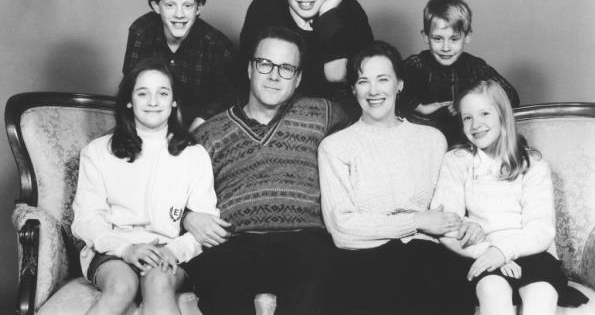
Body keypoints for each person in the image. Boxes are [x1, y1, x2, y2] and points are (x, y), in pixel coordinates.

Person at [183, 26, 348, 315]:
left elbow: (372, 124)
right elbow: (169, 191)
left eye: (286, 68)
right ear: (250, 68)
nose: (274, 75)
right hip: (235, 243)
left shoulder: (323, 113)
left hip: (303, 240)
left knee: (318, 274)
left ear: (298, 79)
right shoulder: (209, 133)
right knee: (216, 275)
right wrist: (188, 217)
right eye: (265, 64)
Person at [319, 40, 475, 315]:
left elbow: (445, 215)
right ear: (353, 88)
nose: (374, 91)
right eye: (363, 81)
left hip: (428, 259)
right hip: (362, 262)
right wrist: (416, 221)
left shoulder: (432, 140)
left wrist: (464, 226)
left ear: (399, 84)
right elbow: (342, 229)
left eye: (383, 79)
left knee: (443, 282)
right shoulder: (335, 146)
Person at [72, 58, 219, 315]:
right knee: (121, 286)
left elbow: (204, 225)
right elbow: (86, 219)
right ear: (129, 100)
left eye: (162, 93)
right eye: (143, 93)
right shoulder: (97, 152)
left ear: (174, 101)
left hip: (168, 250)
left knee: (158, 281)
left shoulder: (194, 155)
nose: (153, 102)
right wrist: (125, 249)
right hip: (114, 248)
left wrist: (174, 250)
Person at [430, 80, 588, 315]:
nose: (476, 125)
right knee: (493, 291)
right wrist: (488, 251)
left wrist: (503, 251)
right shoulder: (457, 161)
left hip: (530, 253)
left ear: (503, 115)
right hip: (482, 254)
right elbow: (445, 223)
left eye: (484, 113)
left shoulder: (533, 165)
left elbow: (541, 230)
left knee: (541, 295)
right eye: (467, 117)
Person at [239, 0, 374, 118]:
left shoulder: (349, 9)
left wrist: (327, 18)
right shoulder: (264, 8)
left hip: (338, 113)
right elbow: (250, 78)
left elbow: (342, 76)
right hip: (278, 112)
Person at [123, 0, 238, 129]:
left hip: (198, 127)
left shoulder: (218, 46)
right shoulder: (141, 31)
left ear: (198, 8)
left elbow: (224, 99)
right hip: (148, 121)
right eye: (170, 5)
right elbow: (131, 86)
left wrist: (196, 129)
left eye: (188, 6)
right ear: (156, 6)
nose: (179, 14)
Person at [400, 0, 520, 145]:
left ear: (467, 36)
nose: (446, 48)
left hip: (465, 146)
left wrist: (467, 101)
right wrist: (421, 107)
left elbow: (510, 95)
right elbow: (391, 91)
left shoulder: (474, 66)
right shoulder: (416, 65)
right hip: (421, 145)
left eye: (454, 39)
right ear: (425, 36)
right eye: (437, 38)